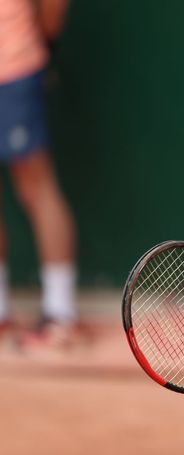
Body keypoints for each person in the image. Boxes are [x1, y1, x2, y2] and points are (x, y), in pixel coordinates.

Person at [0, 0, 80, 350]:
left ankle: (60, 312)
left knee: (36, 187)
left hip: (15, 67)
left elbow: (53, 6)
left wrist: (43, 43)